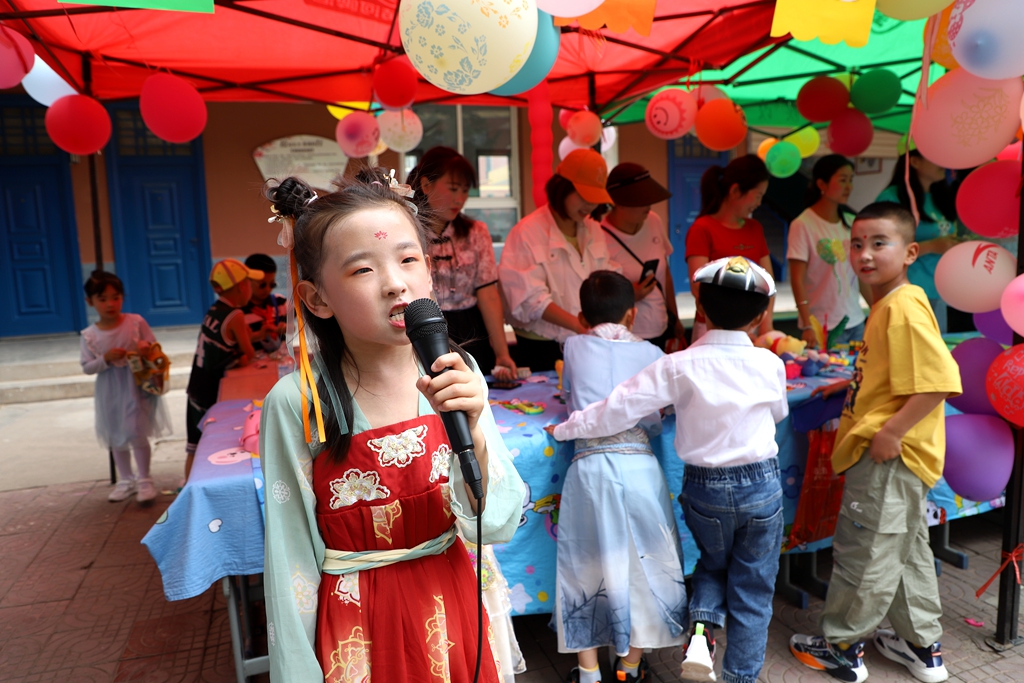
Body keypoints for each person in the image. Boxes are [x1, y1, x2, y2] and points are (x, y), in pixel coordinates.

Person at [259, 171, 525, 682]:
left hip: (458, 610)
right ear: (316, 299)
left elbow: (496, 525)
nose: (394, 283)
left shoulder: (457, 373)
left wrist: (477, 437)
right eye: (362, 270)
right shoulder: (298, 402)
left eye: (407, 260)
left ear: (429, 272)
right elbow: (289, 559)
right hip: (360, 627)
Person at [552, 257, 788, 683]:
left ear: (699, 309)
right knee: (753, 587)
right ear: (761, 316)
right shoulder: (770, 364)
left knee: (713, 566)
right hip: (762, 485)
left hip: (705, 490)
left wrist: (569, 427)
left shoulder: (677, 364)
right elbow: (779, 413)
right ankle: (741, 676)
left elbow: (615, 410)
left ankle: (700, 632)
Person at [790, 202, 961, 683]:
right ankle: (920, 644)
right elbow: (899, 377)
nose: (865, 254)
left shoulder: (901, 307)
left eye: (879, 243)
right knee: (904, 549)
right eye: (858, 244)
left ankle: (842, 645)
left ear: (909, 252)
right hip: (898, 456)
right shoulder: (891, 304)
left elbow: (938, 380)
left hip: (890, 456)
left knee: (865, 553)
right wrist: (851, 386)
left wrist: (890, 433)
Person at [545, 271, 687, 683]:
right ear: (632, 313)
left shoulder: (571, 345)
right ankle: (628, 667)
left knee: (584, 565)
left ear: (580, 315)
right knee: (648, 563)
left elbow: (572, 396)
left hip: (589, 468)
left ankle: (588, 673)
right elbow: (661, 413)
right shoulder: (654, 354)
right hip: (640, 464)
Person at [499, 148, 620, 371]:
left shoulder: (593, 230)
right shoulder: (527, 232)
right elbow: (530, 298)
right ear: (562, 188)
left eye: (595, 199)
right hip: (542, 344)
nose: (590, 206)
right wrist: (580, 326)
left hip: (587, 338)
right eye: (584, 197)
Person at [408, 147, 517, 379]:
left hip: (471, 330)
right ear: (426, 185)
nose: (460, 199)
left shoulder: (476, 232)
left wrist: (502, 353)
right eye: (453, 189)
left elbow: (488, 295)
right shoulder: (407, 231)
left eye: (465, 191)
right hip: (425, 326)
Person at [80, 271, 171, 503]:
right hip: (110, 390)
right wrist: (106, 359)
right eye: (102, 299)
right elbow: (87, 367)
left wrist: (145, 349)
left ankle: (144, 479)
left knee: (136, 430)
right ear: (89, 301)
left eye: (115, 297)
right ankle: (126, 479)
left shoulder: (136, 322)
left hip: (137, 385)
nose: (110, 304)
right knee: (116, 434)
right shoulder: (90, 335)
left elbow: (155, 349)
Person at [686, 155, 775, 341]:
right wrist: (739, 326)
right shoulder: (702, 228)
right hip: (712, 329)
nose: (759, 203)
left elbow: (768, 281)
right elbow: (699, 287)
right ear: (735, 191)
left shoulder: (755, 228)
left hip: (751, 328)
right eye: (758, 196)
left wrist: (766, 327)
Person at [184, 258, 259, 479]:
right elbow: (249, 352)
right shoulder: (235, 315)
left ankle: (187, 487)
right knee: (214, 445)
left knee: (194, 447)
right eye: (248, 283)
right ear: (241, 287)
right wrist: (242, 356)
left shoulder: (215, 309)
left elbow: (226, 343)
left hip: (196, 385)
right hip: (211, 391)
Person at [601, 163, 687, 351]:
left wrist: (675, 317)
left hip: (661, 327)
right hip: (624, 336)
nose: (649, 206)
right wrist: (630, 295)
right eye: (642, 200)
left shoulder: (653, 220)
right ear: (619, 202)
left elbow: (665, 275)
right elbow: (596, 294)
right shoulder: (598, 235)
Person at [787, 155, 870, 347]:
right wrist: (807, 324)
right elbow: (797, 279)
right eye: (842, 180)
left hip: (857, 321)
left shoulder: (852, 222)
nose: (849, 186)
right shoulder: (803, 225)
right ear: (821, 184)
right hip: (822, 326)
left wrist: (876, 309)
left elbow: (861, 274)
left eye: (851, 180)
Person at [876, 144, 960, 332]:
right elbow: (881, 250)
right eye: (935, 157)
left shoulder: (940, 196)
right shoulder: (892, 199)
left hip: (938, 290)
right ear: (914, 161)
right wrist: (931, 246)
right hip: (908, 292)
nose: (943, 163)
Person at [242, 253, 288, 353]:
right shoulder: (239, 311)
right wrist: (259, 335)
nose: (267, 289)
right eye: (262, 285)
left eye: (272, 284)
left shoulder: (280, 302)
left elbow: (294, 327)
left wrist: (286, 328)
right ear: (247, 281)